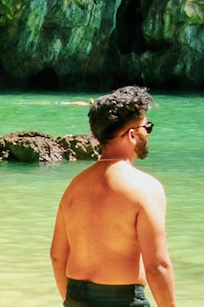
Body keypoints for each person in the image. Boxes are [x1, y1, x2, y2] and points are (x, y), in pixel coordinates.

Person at [50, 85, 176, 307]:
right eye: (147, 127)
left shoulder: (74, 187)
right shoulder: (145, 188)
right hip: (123, 300)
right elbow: (157, 266)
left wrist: (71, 301)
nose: (148, 132)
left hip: (76, 297)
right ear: (132, 134)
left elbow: (57, 257)